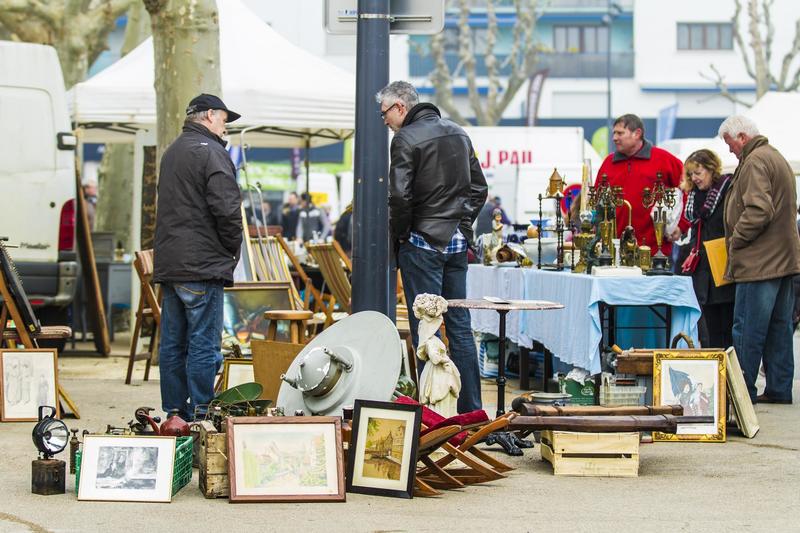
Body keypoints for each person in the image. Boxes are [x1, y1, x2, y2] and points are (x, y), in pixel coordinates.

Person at [378, 80, 488, 413]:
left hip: (422, 243)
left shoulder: (405, 138)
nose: (384, 121)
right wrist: (463, 225)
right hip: (455, 245)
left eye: (385, 114)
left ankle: (433, 415)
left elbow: (399, 196)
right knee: (460, 327)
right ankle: (471, 412)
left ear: (400, 107)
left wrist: (401, 235)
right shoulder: (458, 132)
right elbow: (479, 189)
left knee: (427, 329)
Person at [153, 93, 243, 420]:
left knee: (173, 345)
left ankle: (175, 414)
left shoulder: (172, 152)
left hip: (172, 264)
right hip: (201, 265)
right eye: (223, 118)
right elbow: (228, 211)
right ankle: (203, 415)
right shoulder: (213, 154)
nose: (225, 126)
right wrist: (231, 251)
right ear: (207, 116)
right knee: (204, 345)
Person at [720, 115, 800, 404]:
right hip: (783, 260)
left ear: (741, 137)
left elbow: (758, 211)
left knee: (747, 329)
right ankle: (779, 389)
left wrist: (736, 239)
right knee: (779, 328)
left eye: (729, 143)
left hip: (759, 262)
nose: (729, 150)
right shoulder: (775, 157)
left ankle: (742, 394)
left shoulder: (754, 162)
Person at [596, 114, 686, 257]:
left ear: (637, 133)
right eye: (614, 133)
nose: (614, 138)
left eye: (620, 133)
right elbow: (597, 203)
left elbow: (687, 189)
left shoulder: (664, 159)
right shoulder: (608, 163)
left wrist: (682, 225)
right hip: (615, 250)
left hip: (655, 252)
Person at [676, 149, 735, 349]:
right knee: (708, 324)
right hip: (702, 267)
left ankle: (730, 372)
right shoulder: (693, 195)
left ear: (711, 169)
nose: (694, 178)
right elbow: (693, 227)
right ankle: (715, 367)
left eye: (698, 173)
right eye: (691, 174)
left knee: (727, 322)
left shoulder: (726, 189)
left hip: (722, 262)